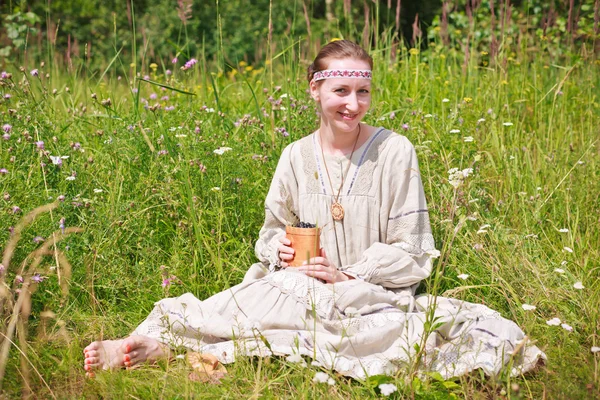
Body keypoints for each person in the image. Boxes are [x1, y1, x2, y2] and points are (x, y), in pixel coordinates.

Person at [84, 40, 544, 379]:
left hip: (369, 293)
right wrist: (280, 249)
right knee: (274, 292)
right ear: (314, 89)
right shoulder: (294, 156)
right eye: (341, 90)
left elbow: (416, 248)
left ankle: (188, 351)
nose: (353, 103)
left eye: (362, 93)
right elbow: (270, 232)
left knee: (375, 331)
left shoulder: (395, 150)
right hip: (295, 283)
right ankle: (158, 341)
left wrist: (351, 275)